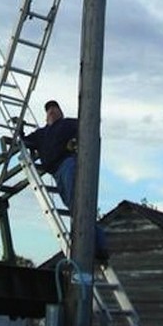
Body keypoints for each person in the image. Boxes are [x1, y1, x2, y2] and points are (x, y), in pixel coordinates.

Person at [19, 99, 109, 262]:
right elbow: (24, 141)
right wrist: (20, 130)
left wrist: (76, 141)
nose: (52, 111)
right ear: (46, 116)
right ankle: (96, 244)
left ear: (61, 112)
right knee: (74, 205)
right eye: (49, 110)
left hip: (68, 164)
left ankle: (98, 245)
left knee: (78, 204)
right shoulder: (41, 133)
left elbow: (90, 122)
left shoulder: (67, 124)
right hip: (56, 172)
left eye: (55, 108)